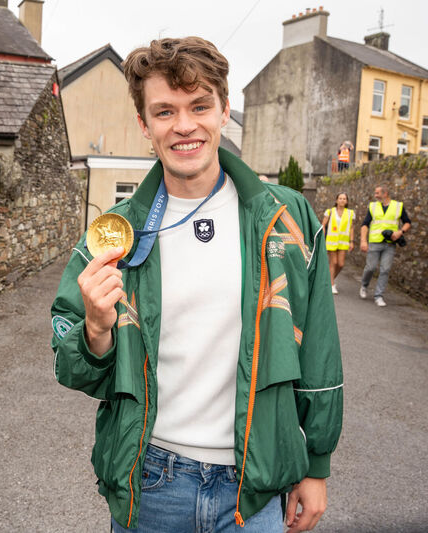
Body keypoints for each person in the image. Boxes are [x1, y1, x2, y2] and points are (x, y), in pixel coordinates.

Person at [51, 37, 342, 533]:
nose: (184, 125)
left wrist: (316, 465)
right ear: (144, 125)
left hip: (256, 486)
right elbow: (73, 367)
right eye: (164, 112)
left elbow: (319, 353)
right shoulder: (112, 234)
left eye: (199, 106)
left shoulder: (286, 219)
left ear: (224, 111)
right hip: (153, 484)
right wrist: (97, 330)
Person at [359, 184, 411, 307]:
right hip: (375, 242)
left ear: (385, 193)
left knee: (385, 269)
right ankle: (364, 286)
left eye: (377, 193)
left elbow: (407, 223)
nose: (375, 195)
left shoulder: (398, 206)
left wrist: (400, 232)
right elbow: (365, 224)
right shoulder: (373, 206)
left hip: (390, 244)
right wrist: (363, 241)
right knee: (370, 268)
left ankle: (378, 296)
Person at [321, 192, 355, 294]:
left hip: (343, 242)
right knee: (333, 262)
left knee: (340, 264)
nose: (342, 200)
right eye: (340, 198)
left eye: (344, 199)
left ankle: (328, 280)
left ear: (347, 201)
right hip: (331, 241)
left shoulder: (350, 213)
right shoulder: (330, 212)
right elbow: (323, 225)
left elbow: (352, 228)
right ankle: (331, 284)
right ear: (336, 200)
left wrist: (351, 241)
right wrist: (323, 236)